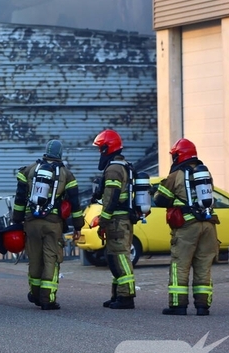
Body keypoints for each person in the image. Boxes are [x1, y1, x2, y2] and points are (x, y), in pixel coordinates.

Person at [12, 139, 84, 310]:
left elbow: (20, 198)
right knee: (51, 258)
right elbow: (75, 203)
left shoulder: (28, 170)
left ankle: (35, 294)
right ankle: (47, 299)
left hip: (31, 222)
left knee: (35, 258)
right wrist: (78, 226)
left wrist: (17, 220)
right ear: (60, 154)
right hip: (53, 224)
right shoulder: (67, 175)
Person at [154, 138, 220, 316]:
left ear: (178, 155)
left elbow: (159, 199)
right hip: (209, 225)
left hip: (187, 226)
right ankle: (202, 306)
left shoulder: (176, 175)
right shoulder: (205, 173)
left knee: (180, 265)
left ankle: (178, 305)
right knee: (203, 265)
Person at [93, 129, 136, 310]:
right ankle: (118, 294)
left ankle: (126, 297)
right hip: (120, 219)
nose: (98, 153)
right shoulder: (123, 165)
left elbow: (111, 198)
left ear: (106, 148)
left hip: (117, 220)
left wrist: (102, 221)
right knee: (114, 257)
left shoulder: (114, 169)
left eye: (99, 149)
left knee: (120, 257)